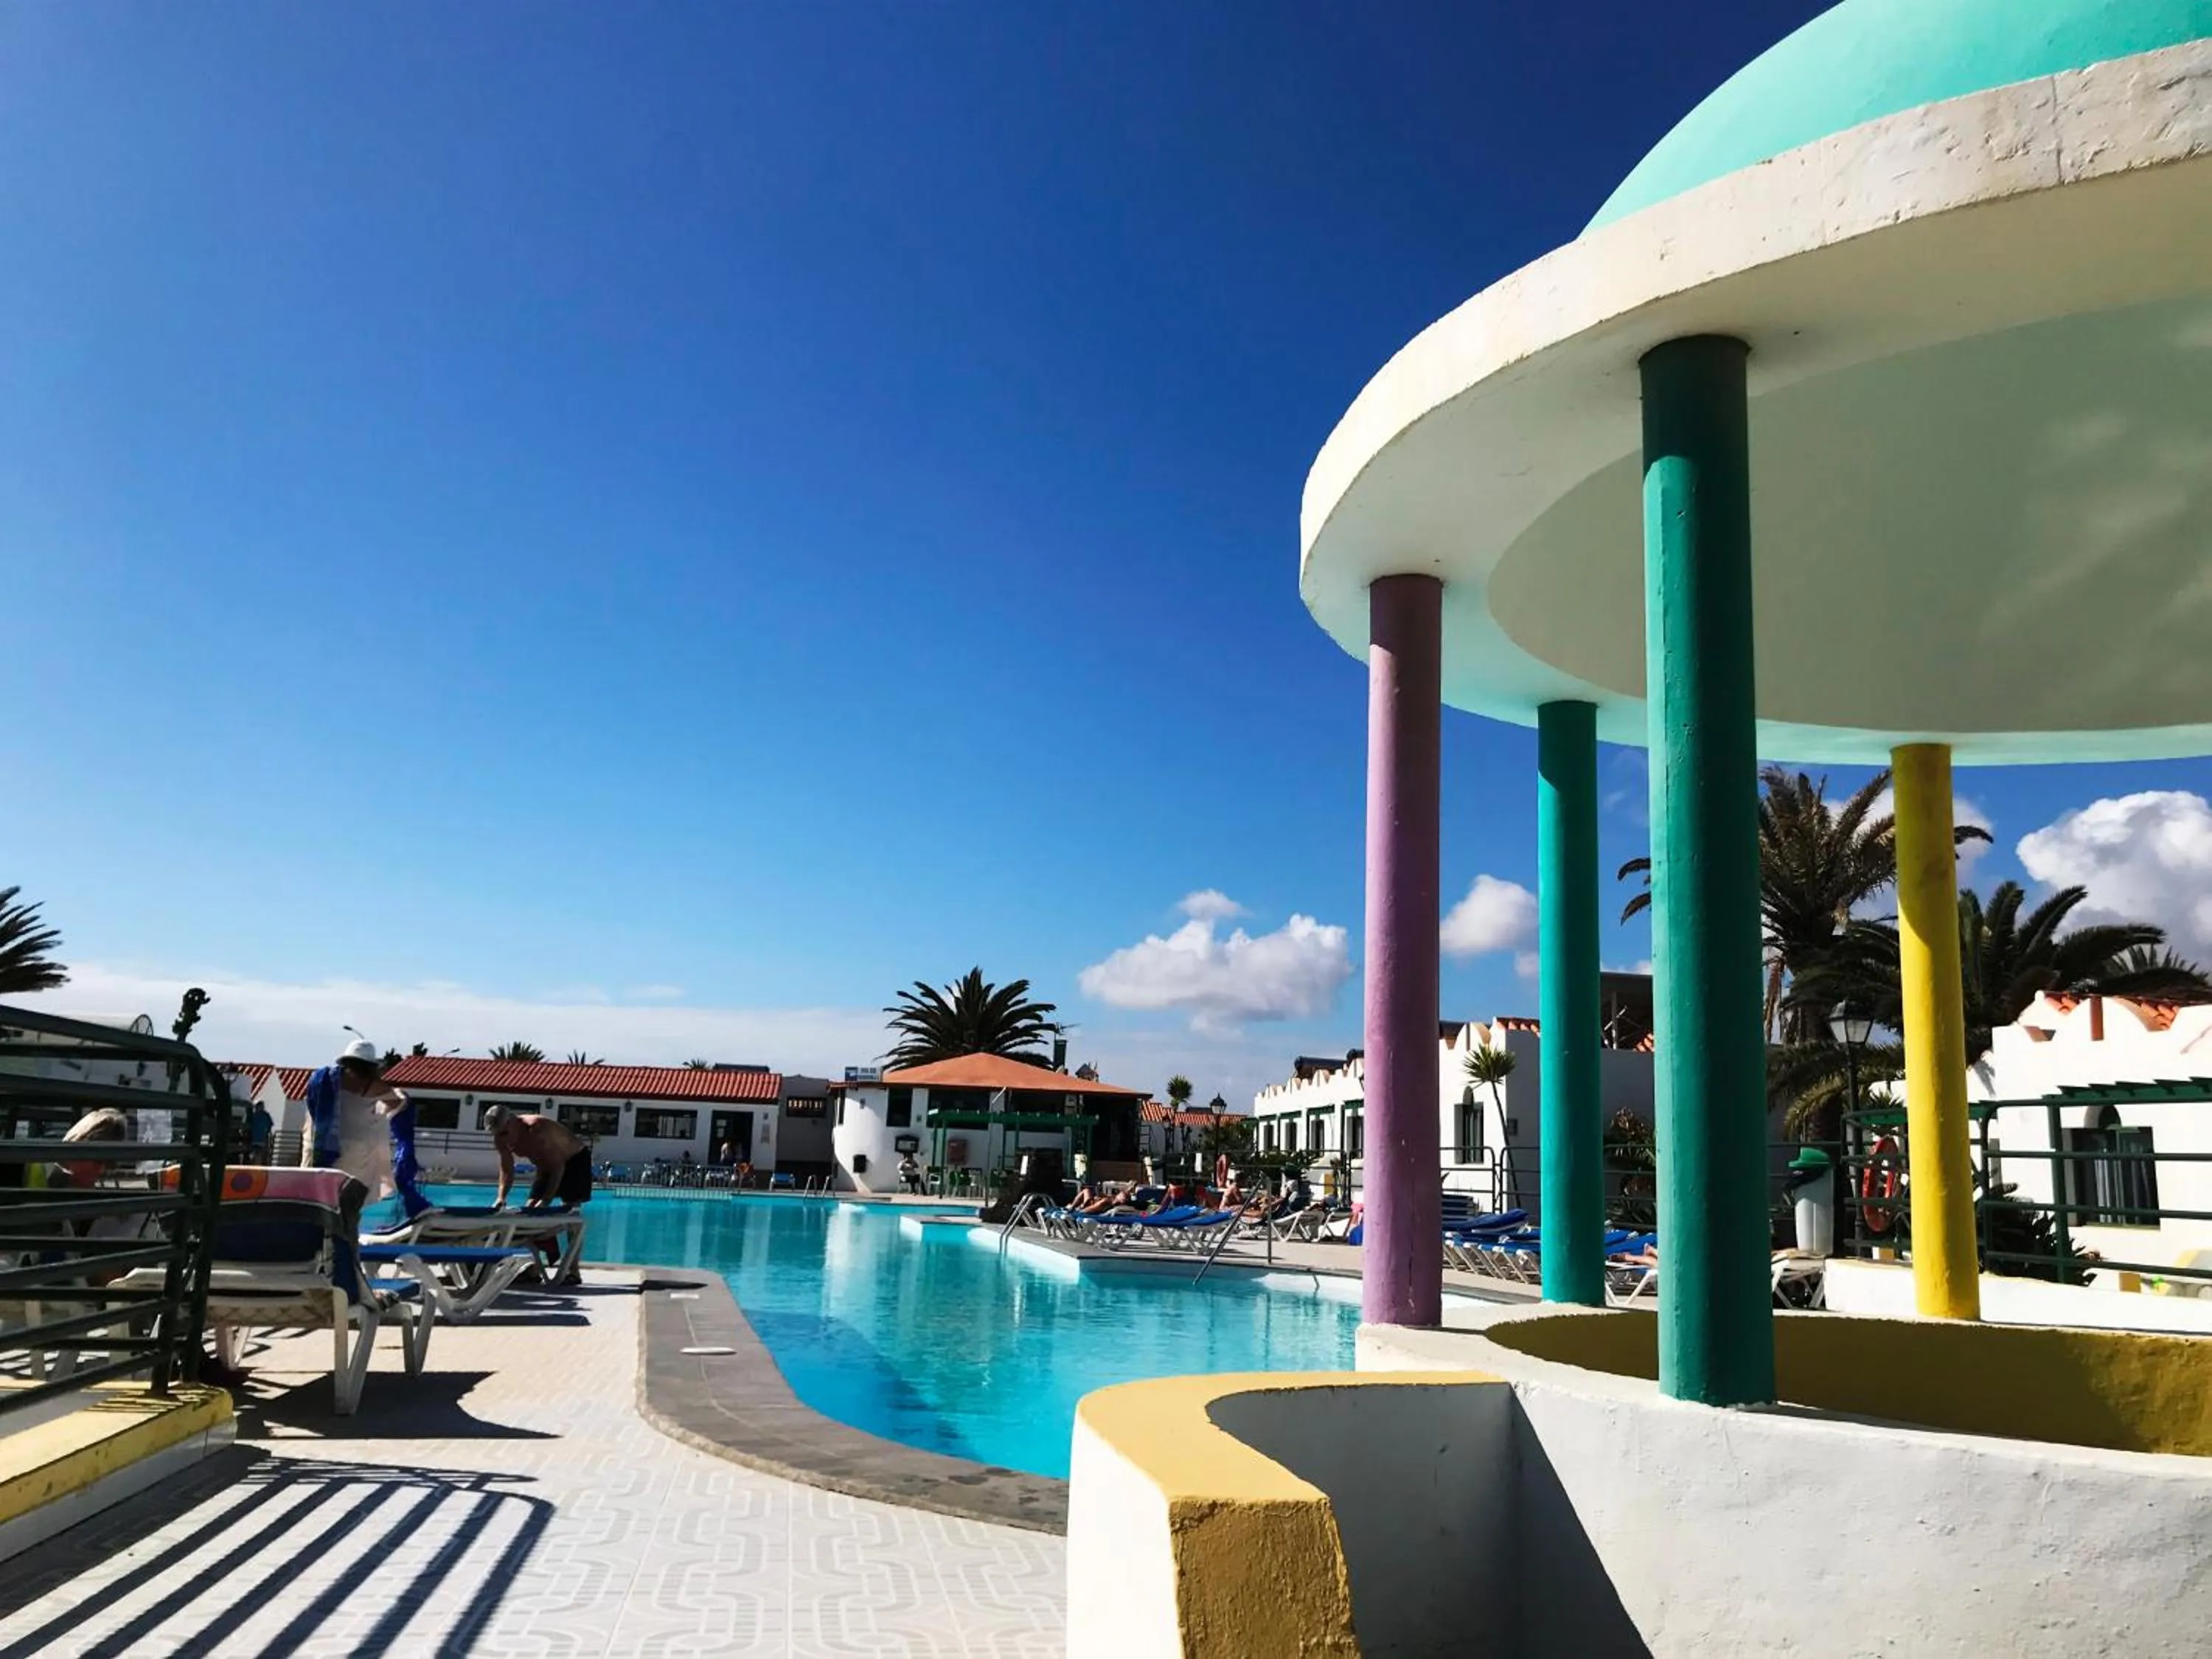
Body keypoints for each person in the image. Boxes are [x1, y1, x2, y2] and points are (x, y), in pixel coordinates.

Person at [483, 1105, 591, 1282]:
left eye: (504, 1133)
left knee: (573, 1215)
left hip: (574, 1160)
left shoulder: (537, 1130)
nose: (502, 1138)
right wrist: (501, 1198)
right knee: (528, 1214)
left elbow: (558, 1166)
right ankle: (533, 1269)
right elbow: (507, 1169)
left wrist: (547, 1200)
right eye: (497, 1134)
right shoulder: (500, 1137)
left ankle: (573, 1271)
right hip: (545, 1167)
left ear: (513, 1122)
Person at [302, 1038, 406, 1200]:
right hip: (354, 1153)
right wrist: (398, 1094)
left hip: (318, 1147)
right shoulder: (371, 1084)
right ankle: (347, 1224)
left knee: (317, 1196)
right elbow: (398, 1103)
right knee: (349, 1200)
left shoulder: (325, 1080)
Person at [244, 1100, 274, 1164]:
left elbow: (248, 1124)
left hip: (256, 1139)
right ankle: (256, 1165)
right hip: (259, 1139)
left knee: (256, 1154)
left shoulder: (255, 1115)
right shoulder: (264, 1115)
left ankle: (255, 1165)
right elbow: (270, 1125)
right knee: (258, 1154)